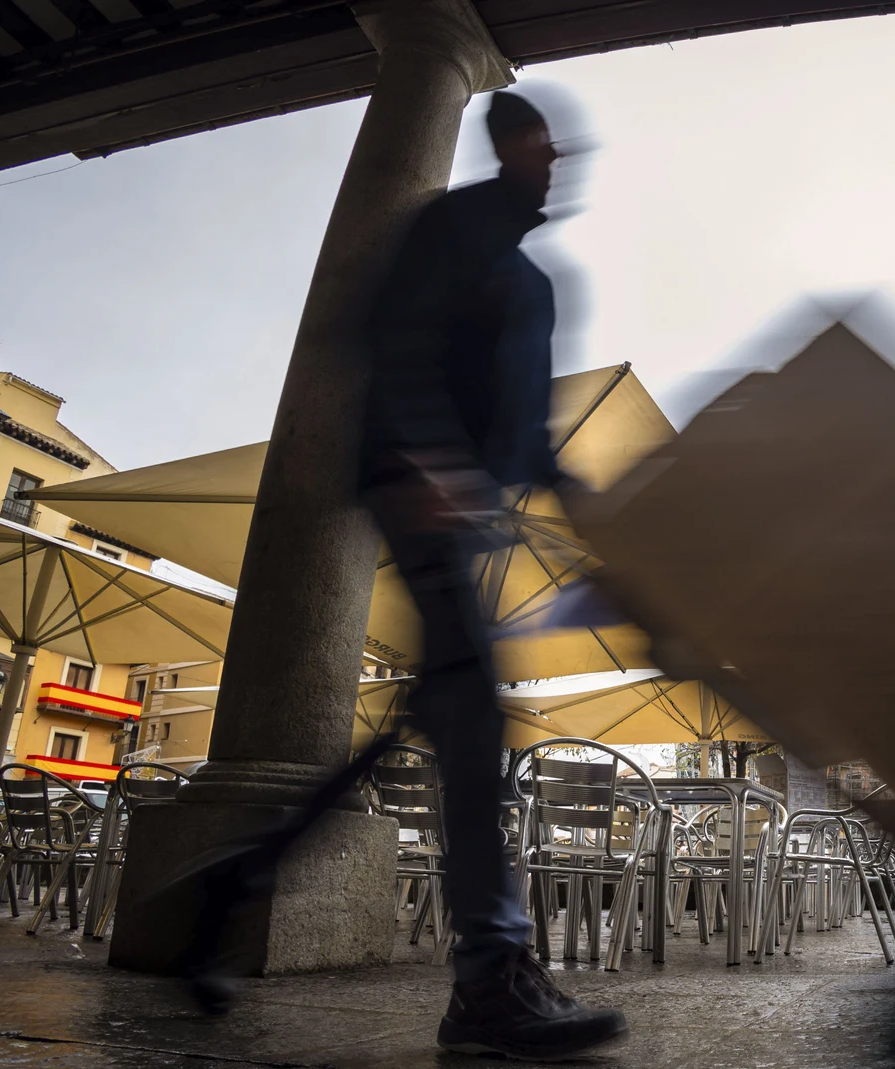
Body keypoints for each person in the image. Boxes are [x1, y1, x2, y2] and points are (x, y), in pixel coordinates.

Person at [359, 86, 626, 1060]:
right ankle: (488, 982)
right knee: (472, 721)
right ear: (511, 144)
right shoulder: (453, 228)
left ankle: (493, 972)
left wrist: (606, 526)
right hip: (418, 494)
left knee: (464, 715)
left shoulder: (536, 283)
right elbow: (393, 344)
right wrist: (431, 460)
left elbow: (535, 439)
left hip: (470, 514)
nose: (557, 166)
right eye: (545, 148)